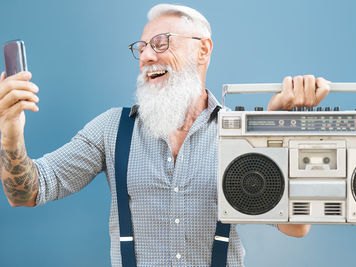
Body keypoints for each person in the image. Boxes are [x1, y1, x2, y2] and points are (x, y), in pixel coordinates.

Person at [0, 3, 330, 266]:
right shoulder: (111, 129)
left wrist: (279, 127)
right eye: (141, 47)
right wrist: (10, 132)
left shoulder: (239, 134)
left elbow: (295, 226)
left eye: (161, 43)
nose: (146, 55)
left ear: (203, 51)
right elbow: (27, 192)